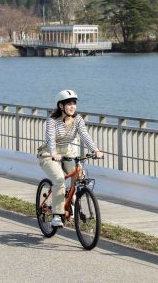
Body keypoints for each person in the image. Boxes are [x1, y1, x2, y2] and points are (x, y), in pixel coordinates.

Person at [37, 89, 103, 227]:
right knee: (59, 179)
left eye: (74, 103)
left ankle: (72, 201)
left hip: (67, 153)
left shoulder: (78, 119)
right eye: (69, 104)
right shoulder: (52, 120)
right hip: (49, 154)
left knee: (79, 174)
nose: (72, 106)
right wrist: (54, 153)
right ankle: (56, 215)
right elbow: (50, 140)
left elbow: (85, 135)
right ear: (61, 106)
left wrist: (95, 150)